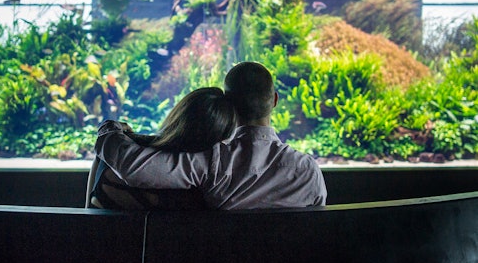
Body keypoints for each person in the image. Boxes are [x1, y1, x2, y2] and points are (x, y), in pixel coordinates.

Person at [95, 61, 327, 209]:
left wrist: (110, 129)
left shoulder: (213, 160)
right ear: (275, 100)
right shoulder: (307, 171)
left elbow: (133, 167)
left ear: (228, 105)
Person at [87, 86, 237, 210]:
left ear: (179, 115)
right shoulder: (206, 185)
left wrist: (110, 129)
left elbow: (87, 212)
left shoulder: (112, 156)